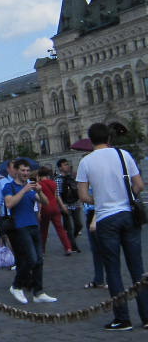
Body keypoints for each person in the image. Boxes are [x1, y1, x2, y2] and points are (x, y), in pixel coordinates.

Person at [76, 122, 148, 331]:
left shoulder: (85, 162)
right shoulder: (123, 155)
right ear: (108, 137)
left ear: (90, 140)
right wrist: (126, 197)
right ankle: (146, 317)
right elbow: (139, 185)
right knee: (137, 268)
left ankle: (122, 319)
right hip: (128, 215)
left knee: (113, 269)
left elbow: (83, 196)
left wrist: (100, 200)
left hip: (106, 219)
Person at [4, 158, 56, 304]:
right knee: (31, 259)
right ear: (16, 171)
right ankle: (16, 285)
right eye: (23, 170)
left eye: (27, 170)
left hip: (34, 224)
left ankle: (38, 292)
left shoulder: (30, 187)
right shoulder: (10, 186)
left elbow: (45, 202)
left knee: (39, 260)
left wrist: (40, 191)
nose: (26, 173)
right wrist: (24, 190)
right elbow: (9, 203)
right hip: (20, 226)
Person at [37, 166, 73, 255]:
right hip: (55, 207)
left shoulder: (39, 184)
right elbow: (56, 196)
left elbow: (41, 200)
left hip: (46, 208)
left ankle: (42, 249)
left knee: (43, 230)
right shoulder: (53, 183)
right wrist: (62, 206)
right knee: (60, 229)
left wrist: (39, 212)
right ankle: (68, 247)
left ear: (40, 175)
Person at [55, 158, 82, 253]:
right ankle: (73, 246)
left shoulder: (71, 177)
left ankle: (70, 240)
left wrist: (79, 201)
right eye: (65, 165)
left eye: (67, 164)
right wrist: (62, 205)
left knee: (79, 225)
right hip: (65, 205)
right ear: (60, 168)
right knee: (68, 227)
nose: (67, 166)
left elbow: (76, 189)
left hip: (75, 204)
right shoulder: (58, 179)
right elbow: (57, 194)